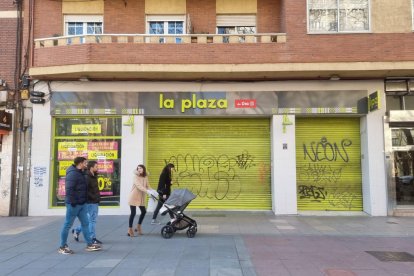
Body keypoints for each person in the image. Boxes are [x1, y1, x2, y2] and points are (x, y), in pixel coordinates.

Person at [58, 157, 101, 254]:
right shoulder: (73, 173)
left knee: (85, 224)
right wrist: (73, 202)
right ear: (80, 163)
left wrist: (84, 201)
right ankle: (62, 246)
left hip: (82, 204)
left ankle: (89, 244)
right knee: (67, 225)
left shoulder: (82, 172)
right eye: (85, 163)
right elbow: (69, 189)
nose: (87, 164)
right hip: (74, 204)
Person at [71, 161, 102, 244]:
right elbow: (86, 190)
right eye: (96, 166)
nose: (97, 168)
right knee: (92, 220)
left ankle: (76, 230)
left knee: (89, 220)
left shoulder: (93, 175)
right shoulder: (87, 177)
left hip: (94, 201)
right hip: (90, 202)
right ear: (91, 167)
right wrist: (93, 198)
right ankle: (92, 238)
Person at [127, 164, 153, 237]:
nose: (139, 170)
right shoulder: (135, 177)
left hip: (141, 197)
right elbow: (139, 186)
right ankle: (130, 229)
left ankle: (138, 227)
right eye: (138, 168)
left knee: (144, 211)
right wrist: (147, 191)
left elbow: (148, 185)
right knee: (133, 213)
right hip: (133, 197)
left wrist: (153, 191)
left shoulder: (145, 177)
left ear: (143, 169)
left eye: (140, 168)